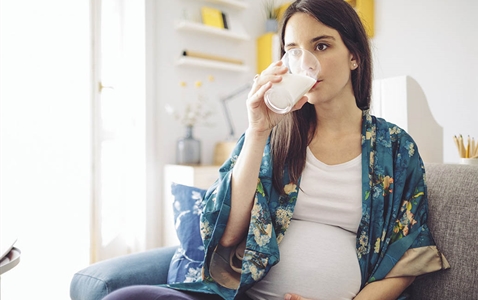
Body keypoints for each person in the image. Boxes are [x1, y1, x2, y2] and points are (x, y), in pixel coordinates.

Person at [103, 0, 449, 299]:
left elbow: (409, 255)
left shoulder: (394, 147)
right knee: (126, 296)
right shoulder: (274, 134)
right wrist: (256, 131)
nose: (305, 62)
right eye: (294, 51)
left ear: (355, 56)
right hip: (243, 294)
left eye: (322, 46)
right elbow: (228, 234)